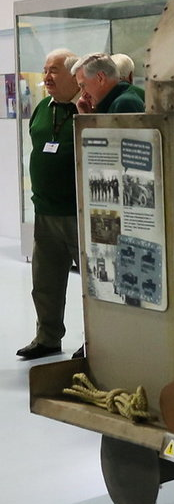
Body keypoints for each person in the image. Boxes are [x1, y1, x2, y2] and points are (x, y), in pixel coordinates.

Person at [16, 48, 81, 360]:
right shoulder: (43, 108)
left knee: (93, 286)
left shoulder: (87, 109)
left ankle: (96, 343)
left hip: (80, 214)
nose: (46, 77)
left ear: (74, 74)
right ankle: (47, 338)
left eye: (54, 70)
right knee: (45, 284)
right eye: (45, 70)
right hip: (45, 212)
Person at [72, 52, 145, 113]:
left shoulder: (124, 104)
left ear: (100, 78)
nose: (83, 94)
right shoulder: (123, 99)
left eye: (83, 86)